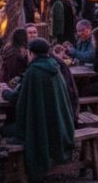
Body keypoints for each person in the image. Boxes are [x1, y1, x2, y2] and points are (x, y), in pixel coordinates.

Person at [9, 38, 75, 183]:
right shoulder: (55, 67)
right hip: (60, 126)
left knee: (5, 131)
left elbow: (20, 101)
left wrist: (5, 93)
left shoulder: (34, 71)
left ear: (30, 53)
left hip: (43, 128)